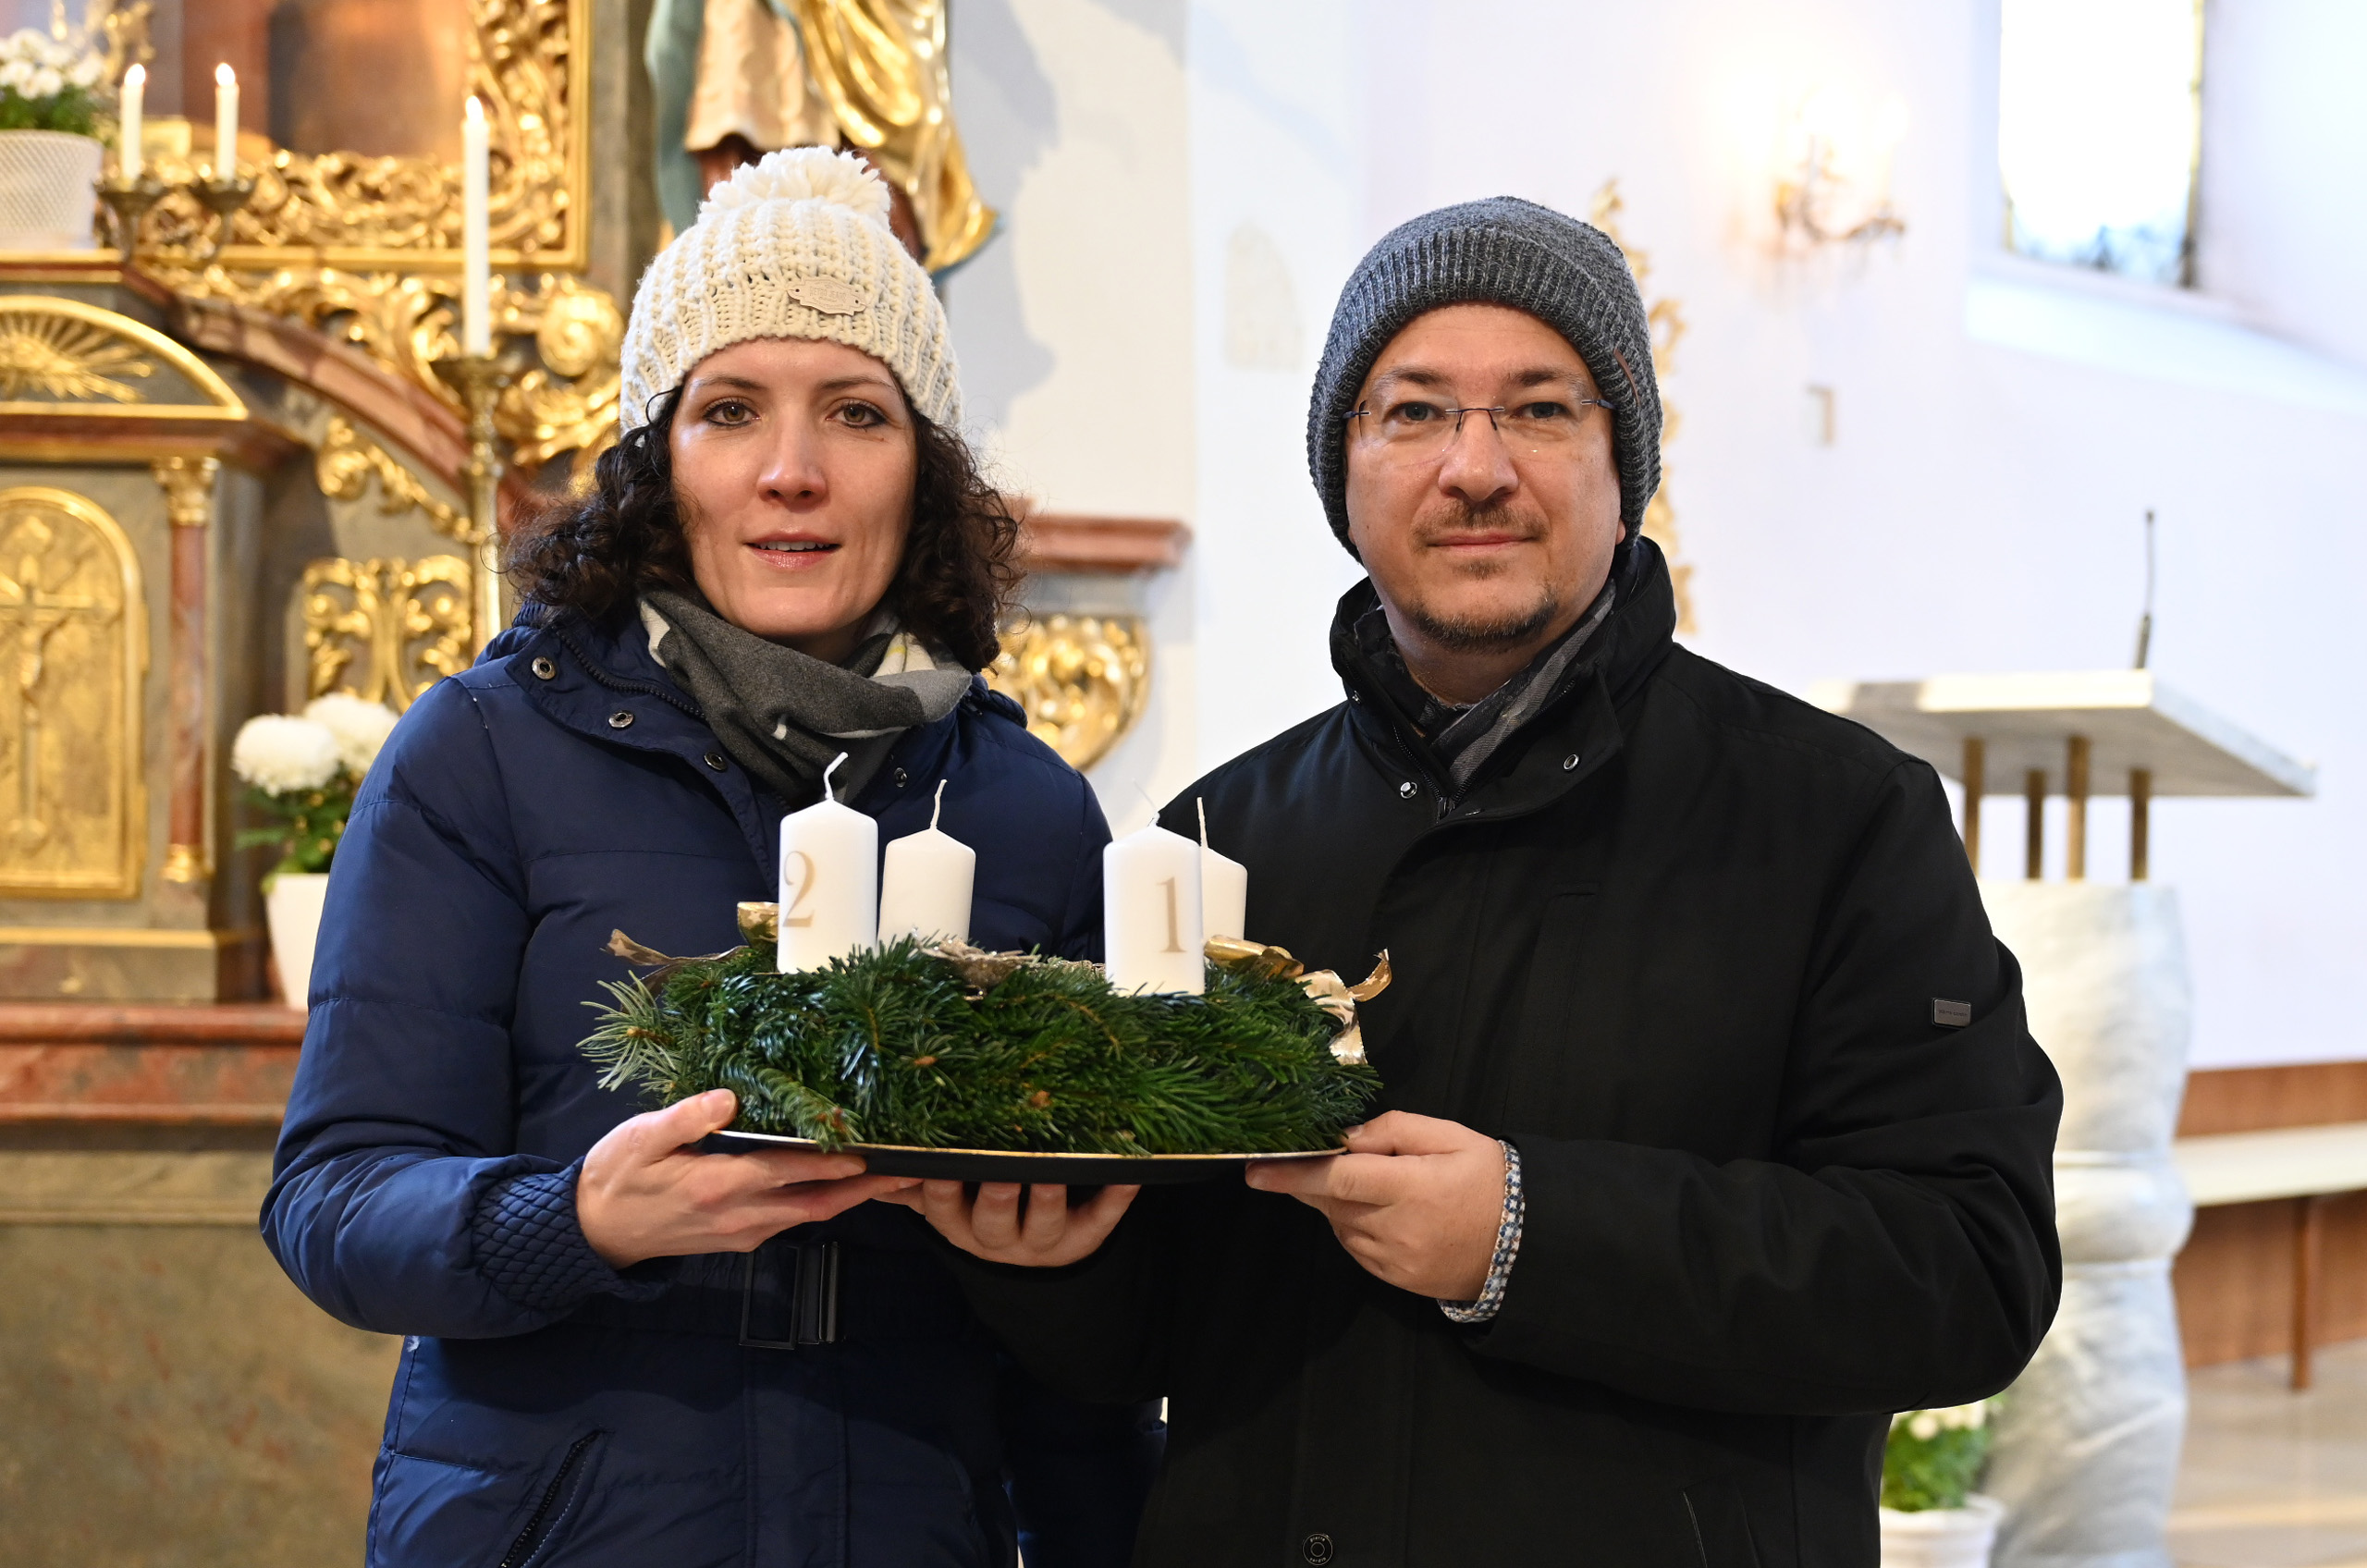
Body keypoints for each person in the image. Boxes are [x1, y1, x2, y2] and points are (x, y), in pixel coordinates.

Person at [899, 198, 2065, 1565]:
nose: (1474, 466)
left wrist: (1532, 1236)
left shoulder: (1836, 818)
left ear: (1626, 467)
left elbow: (1965, 1270)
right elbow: (1156, 1329)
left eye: (1541, 409)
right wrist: (1051, 1262)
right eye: (1412, 412)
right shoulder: (1215, 838)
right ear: (1344, 468)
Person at [262, 148, 1158, 1568]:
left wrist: (1054, 1270)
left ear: (920, 471)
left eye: (855, 414)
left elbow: (1100, 1331)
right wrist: (576, 1220)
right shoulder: (482, 754)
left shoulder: (1026, 807)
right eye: (730, 410)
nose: (791, 471)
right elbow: (335, 1199)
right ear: (654, 463)